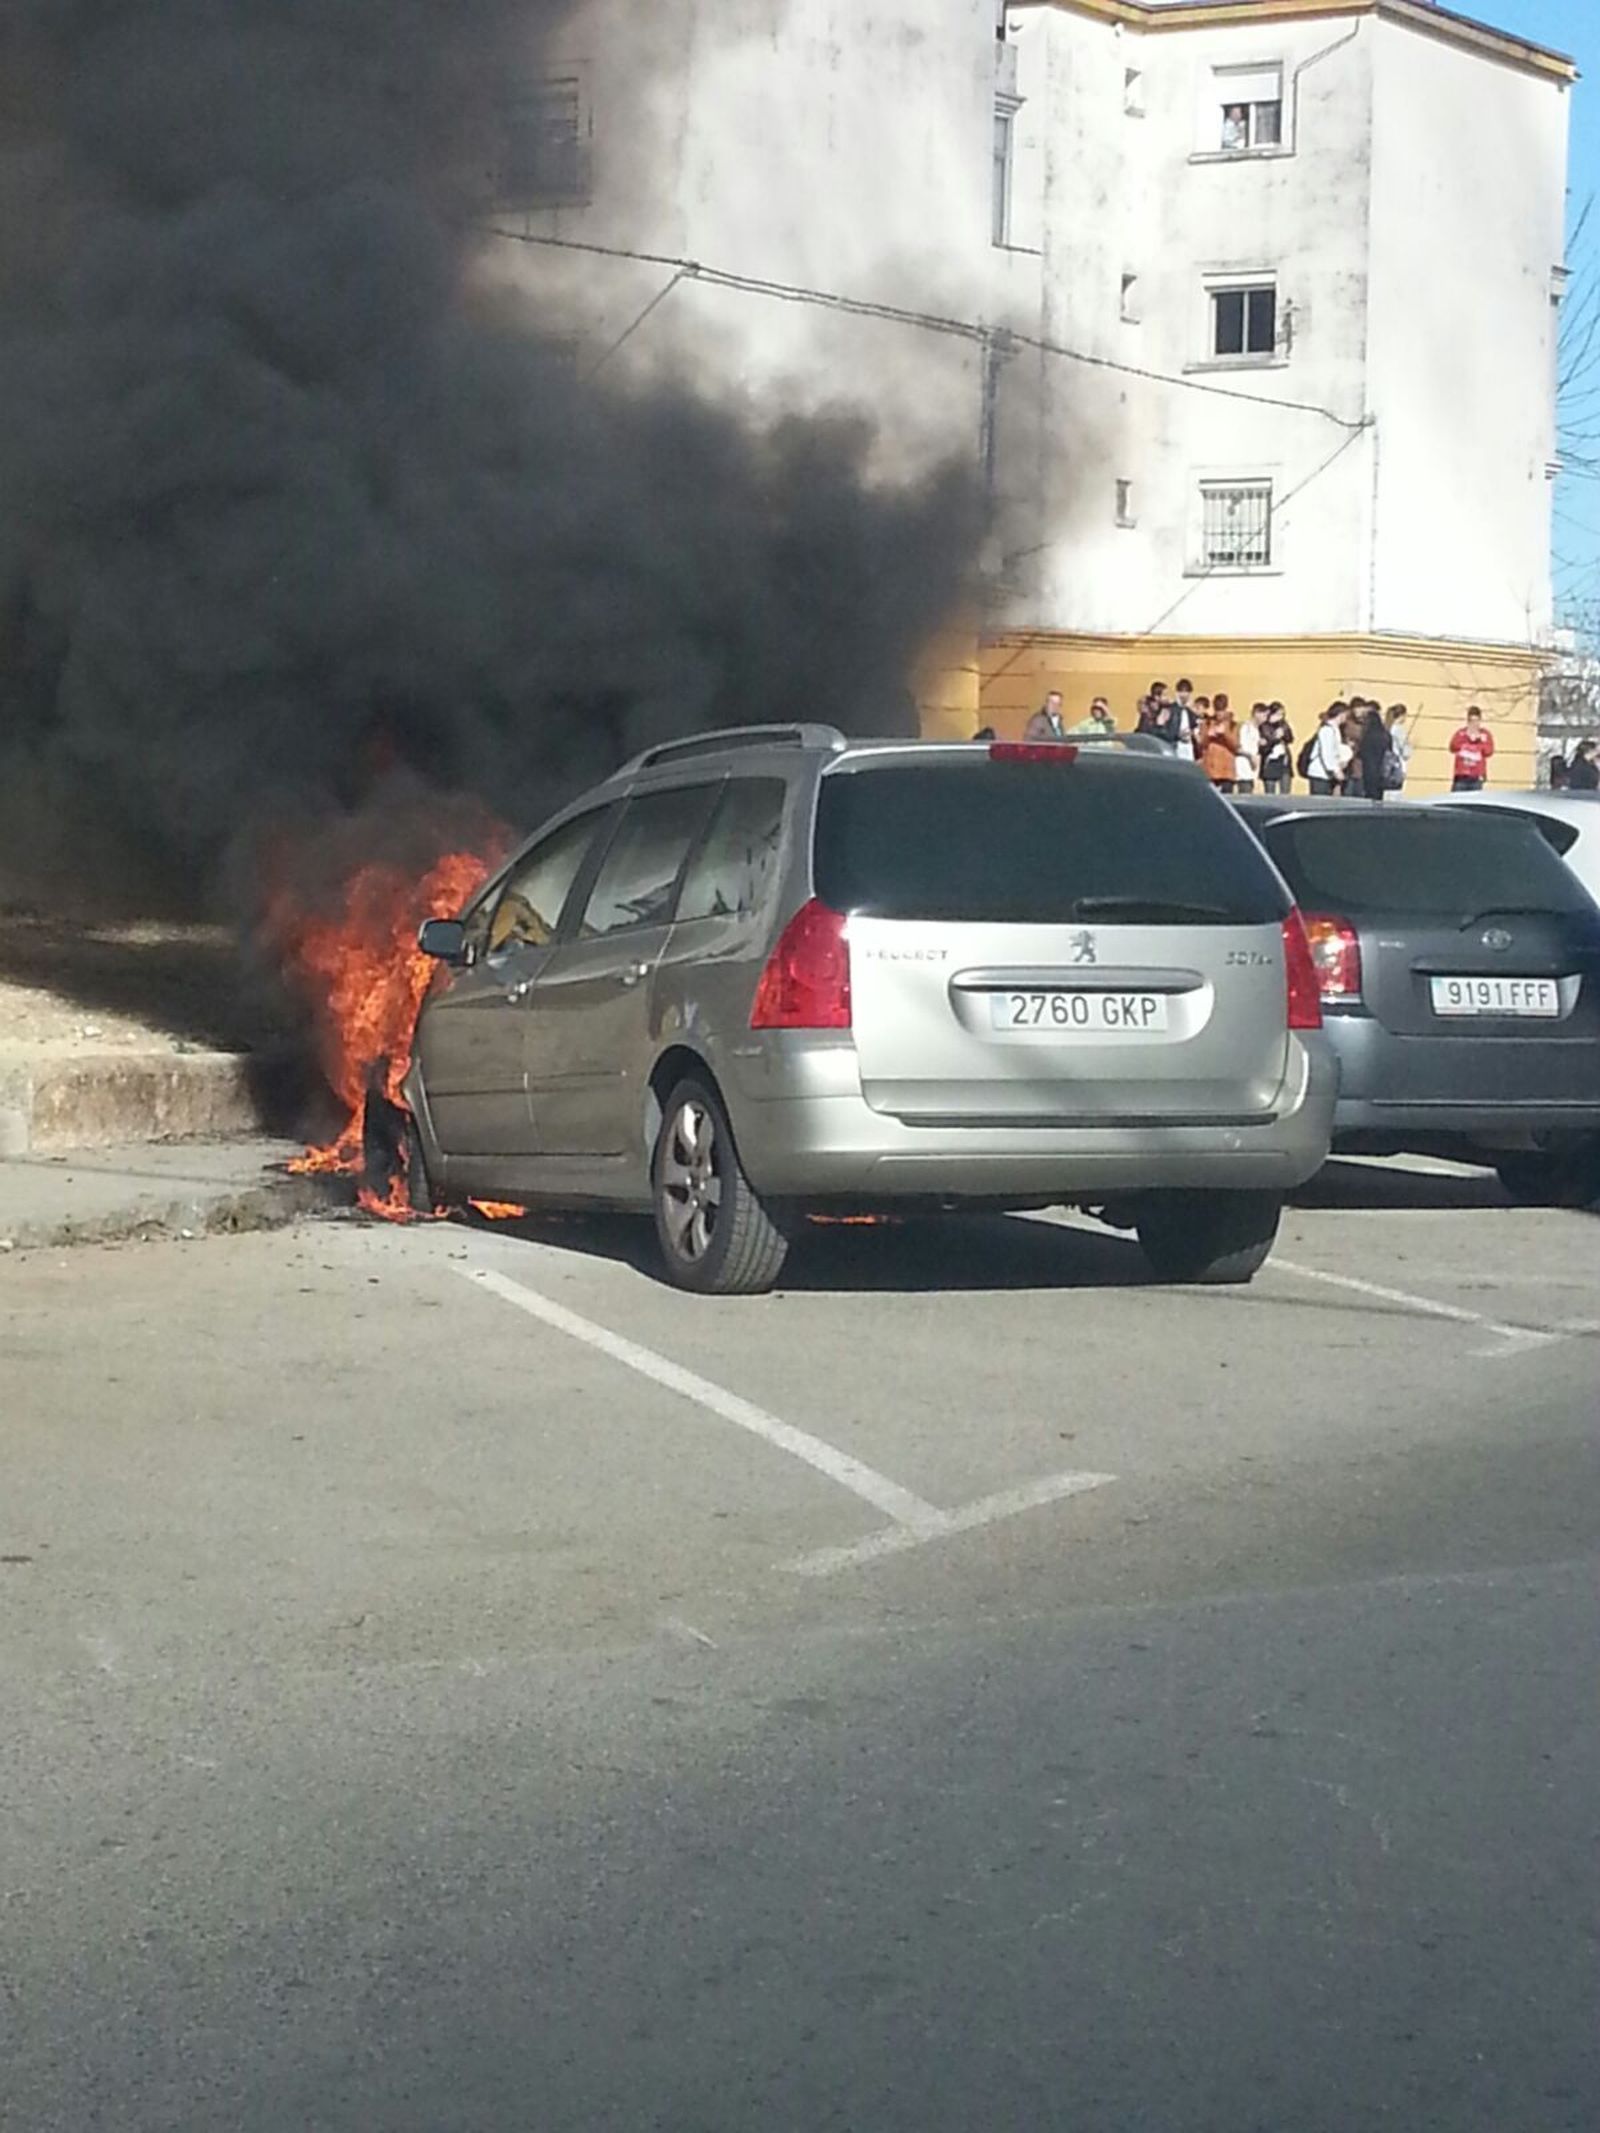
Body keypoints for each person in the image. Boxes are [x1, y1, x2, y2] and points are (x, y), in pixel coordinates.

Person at [1307, 702, 1350, 795]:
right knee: (1319, 804)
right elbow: (1326, 753)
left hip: (1327, 775)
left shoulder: (1335, 729)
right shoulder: (1327, 730)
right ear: (1341, 714)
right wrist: (1335, 770)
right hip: (1319, 774)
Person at [1448, 705, 1494, 790]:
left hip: (1476, 777)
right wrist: (1466, 737)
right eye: (1472, 721)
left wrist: (1479, 740)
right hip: (1461, 776)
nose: (1474, 724)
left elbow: (1489, 751)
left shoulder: (1485, 735)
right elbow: (1453, 747)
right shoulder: (1461, 733)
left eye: (1476, 721)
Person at [1357, 701, 1392, 803]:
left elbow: (1361, 752)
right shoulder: (1385, 735)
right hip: (1382, 771)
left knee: (1368, 797)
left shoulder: (1367, 737)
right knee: (1379, 799)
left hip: (1368, 771)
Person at [1200, 700, 1239, 790]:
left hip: (1226, 770)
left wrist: (1225, 734)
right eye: (1217, 710)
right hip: (1210, 769)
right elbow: (1201, 744)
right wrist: (1208, 735)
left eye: (1221, 710)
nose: (1219, 713)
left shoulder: (1232, 725)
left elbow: (1235, 746)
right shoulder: (1207, 723)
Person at [1259, 702, 1294, 793]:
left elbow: (1290, 739)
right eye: (1278, 714)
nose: (1280, 717)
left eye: (1282, 714)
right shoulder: (1264, 726)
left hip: (1284, 761)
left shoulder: (1283, 724)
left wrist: (1285, 731)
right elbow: (1265, 745)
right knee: (1270, 793)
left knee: (1285, 791)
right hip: (1270, 762)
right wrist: (1275, 737)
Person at [1234, 701, 1262, 793]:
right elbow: (1240, 747)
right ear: (1257, 713)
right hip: (1243, 765)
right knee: (1245, 791)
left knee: (1250, 790)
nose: (1265, 719)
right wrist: (1250, 756)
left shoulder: (1256, 729)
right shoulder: (1245, 727)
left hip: (1251, 768)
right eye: (1264, 715)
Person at [1385, 704, 1412, 792]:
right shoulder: (1399, 730)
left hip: (1387, 765)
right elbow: (1405, 752)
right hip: (1398, 765)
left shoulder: (1387, 727)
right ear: (1402, 715)